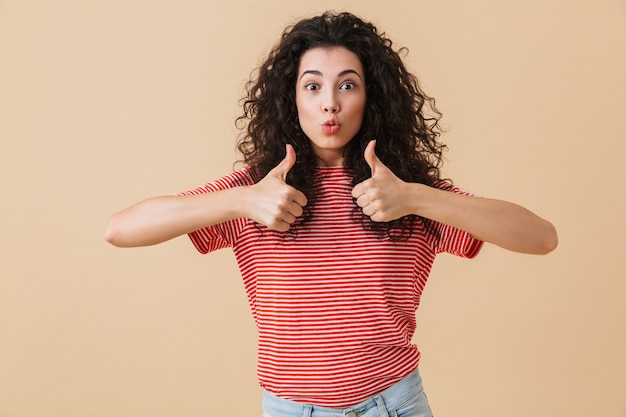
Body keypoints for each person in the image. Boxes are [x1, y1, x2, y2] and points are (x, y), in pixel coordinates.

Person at [104, 11, 558, 417]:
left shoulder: (401, 189)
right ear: (292, 98)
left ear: (371, 97)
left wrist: (418, 198)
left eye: (347, 84)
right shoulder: (263, 190)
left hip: (393, 406)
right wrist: (241, 200)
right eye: (313, 85)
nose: (329, 103)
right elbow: (120, 229)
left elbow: (540, 237)